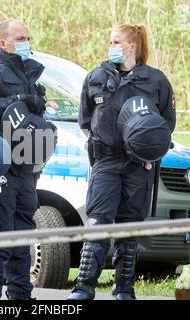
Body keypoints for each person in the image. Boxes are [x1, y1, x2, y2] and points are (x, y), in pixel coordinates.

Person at [68, 24, 176, 300]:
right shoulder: (96, 77)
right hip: (105, 162)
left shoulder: (156, 81)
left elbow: (166, 124)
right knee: (98, 223)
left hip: (138, 166)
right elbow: (85, 120)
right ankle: (83, 288)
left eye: (116, 41)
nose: (111, 45)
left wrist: (151, 152)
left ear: (132, 46)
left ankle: (124, 288)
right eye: (111, 40)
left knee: (130, 225)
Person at [0, 19, 47, 300]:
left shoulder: (32, 74)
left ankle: (21, 298)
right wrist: (17, 99)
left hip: (26, 167)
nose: (27, 42)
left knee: (22, 239)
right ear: (2, 43)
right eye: (20, 38)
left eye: (28, 36)